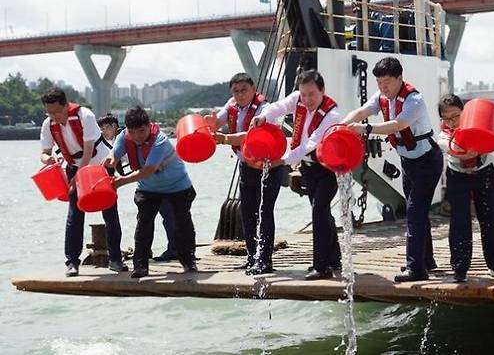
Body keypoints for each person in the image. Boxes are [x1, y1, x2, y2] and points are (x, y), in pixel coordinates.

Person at [341, 57, 442, 283]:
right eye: (379, 83)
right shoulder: (382, 97)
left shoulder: (414, 100)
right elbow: (361, 112)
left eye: (387, 82)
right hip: (408, 162)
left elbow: (398, 125)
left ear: (399, 78)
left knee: (415, 212)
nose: (382, 87)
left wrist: (365, 129)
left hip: (427, 161)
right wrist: (341, 127)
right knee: (416, 211)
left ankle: (416, 269)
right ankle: (426, 260)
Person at [252, 70, 341, 281]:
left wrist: (282, 160)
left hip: (327, 168)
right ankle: (335, 258)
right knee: (322, 213)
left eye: (312, 94)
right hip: (309, 169)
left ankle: (321, 266)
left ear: (323, 92)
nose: (307, 100)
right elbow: (280, 106)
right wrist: (264, 116)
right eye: (304, 95)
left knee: (318, 212)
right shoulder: (298, 99)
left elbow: (310, 145)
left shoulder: (332, 115)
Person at [39, 87, 128, 276]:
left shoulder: (84, 115)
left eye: (57, 111)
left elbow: (88, 151)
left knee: (110, 211)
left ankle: (115, 259)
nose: (54, 116)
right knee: (75, 214)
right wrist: (47, 159)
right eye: (49, 112)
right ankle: (72, 261)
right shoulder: (48, 124)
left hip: (100, 164)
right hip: (74, 166)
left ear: (66, 105)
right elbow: (45, 151)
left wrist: (79, 178)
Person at [104, 106, 198, 278]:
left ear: (149, 126)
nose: (138, 136)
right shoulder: (123, 138)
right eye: (132, 132)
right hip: (148, 189)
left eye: (142, 131)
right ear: (127, 130)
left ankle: (188, 261)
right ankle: (140, 266)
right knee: (144, 224)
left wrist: (122, 181)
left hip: (177, 186)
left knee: (182, 224)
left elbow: (148, 170)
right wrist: (110, 160)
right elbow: (114, 155)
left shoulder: (160, 140)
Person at [205, 72, 284, 275]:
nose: (240, 95)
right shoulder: (232, 105)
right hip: (247, 166)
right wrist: (211, 123)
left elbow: (250, 136)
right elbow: (218, 121)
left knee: (264, 212)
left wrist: (224, 139)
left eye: (244, 90)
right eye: (236, 91)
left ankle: (265, 260)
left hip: (268, 167)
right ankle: (252, 258)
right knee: (248, 213)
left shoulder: (264, 109)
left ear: (253, 89)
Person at [437, 94, 494, 283]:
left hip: (484, 172)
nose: (452, 121)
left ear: (465, 112)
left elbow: (491, 143)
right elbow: (455, 149)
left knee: (491, 220)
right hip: (457, 176)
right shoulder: (442, 135)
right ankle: (460, 269)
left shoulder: (479, 124)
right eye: (447, 118)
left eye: (456, 116)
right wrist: (467, 144)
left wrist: (479, 138)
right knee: (459, 222)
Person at [98, 113, 178, 262]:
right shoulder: (117, 142)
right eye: (100, 129)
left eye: (105, 128)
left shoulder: (132, 138)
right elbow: (112, 158)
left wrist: (121, 178)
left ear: (113, 127)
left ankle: (174, 249)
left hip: (162, 179)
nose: (102, 132)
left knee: (167, 214)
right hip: (145, 181)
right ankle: (145, 252)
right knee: (145, 218)